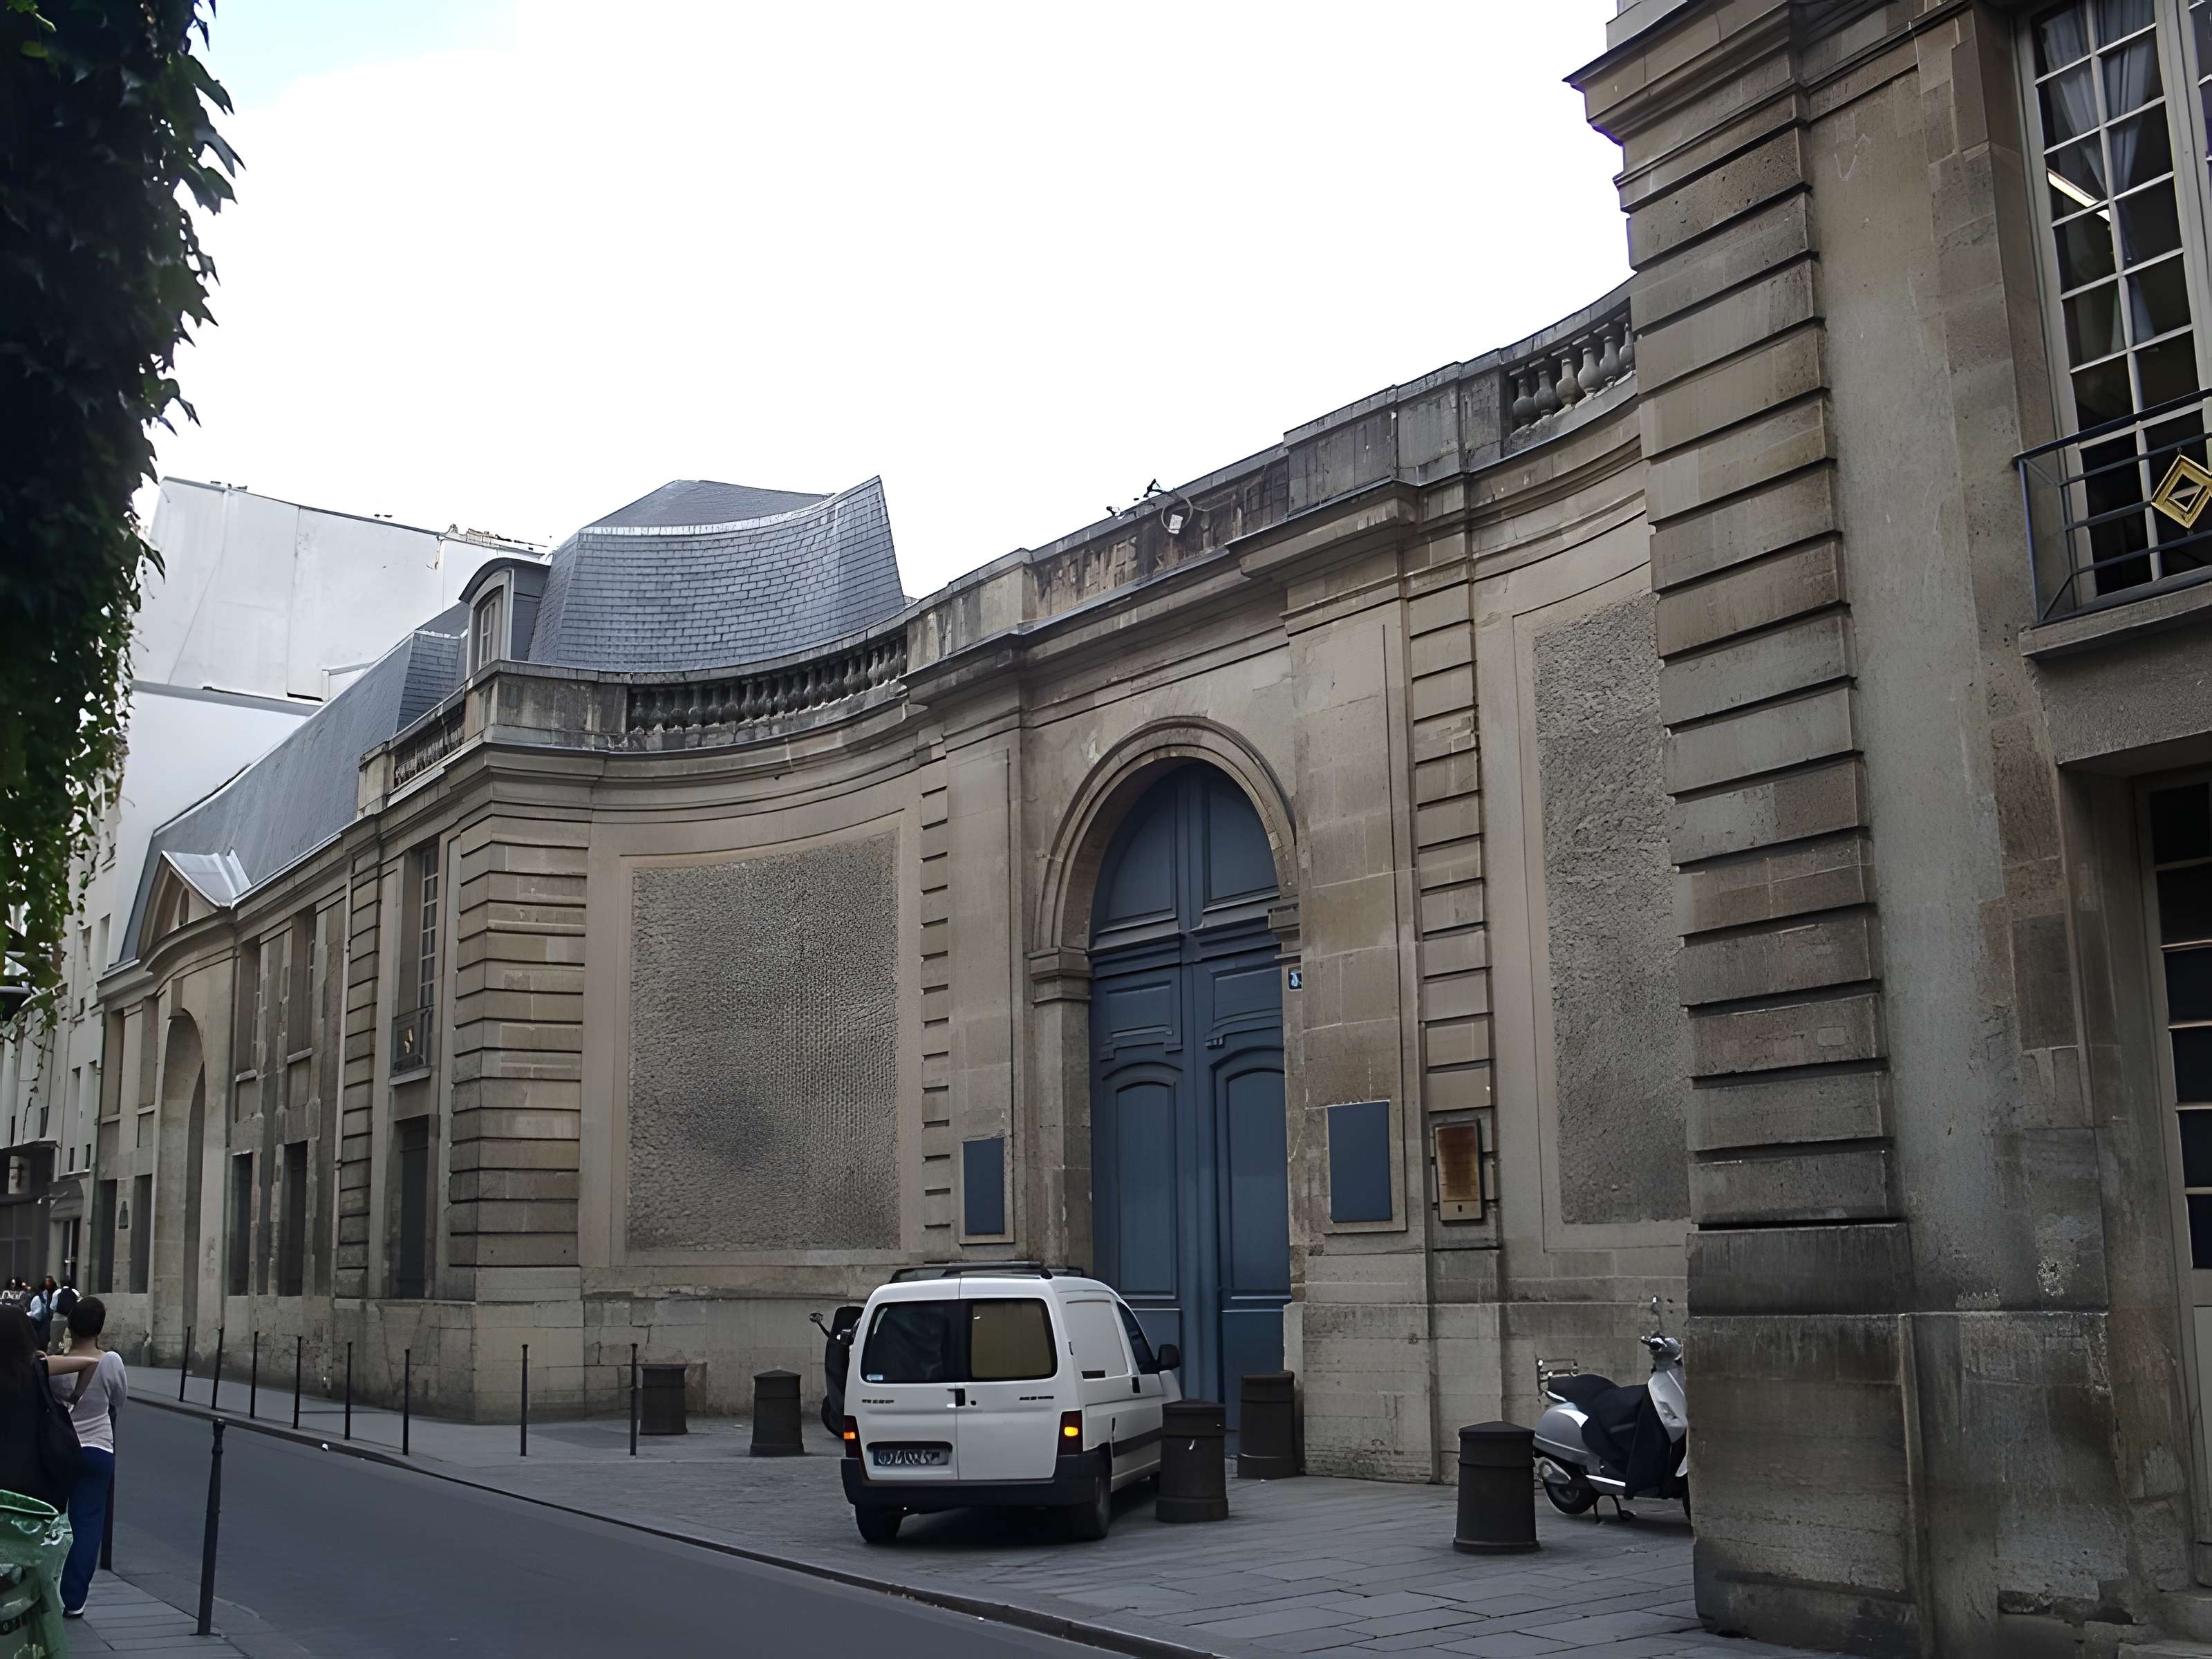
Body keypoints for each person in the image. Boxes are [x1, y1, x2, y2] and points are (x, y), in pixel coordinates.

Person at [53, 1298, 122, 1618]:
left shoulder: (58, 1365)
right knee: (88, 1523)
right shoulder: (111, 1362)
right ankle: (75, 1597)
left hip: (63, 1450)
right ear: (100, 1328)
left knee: (56, 1520)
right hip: (98, 1447)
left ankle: (48, 1586)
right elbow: (119, 1399)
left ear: (70, 1327)